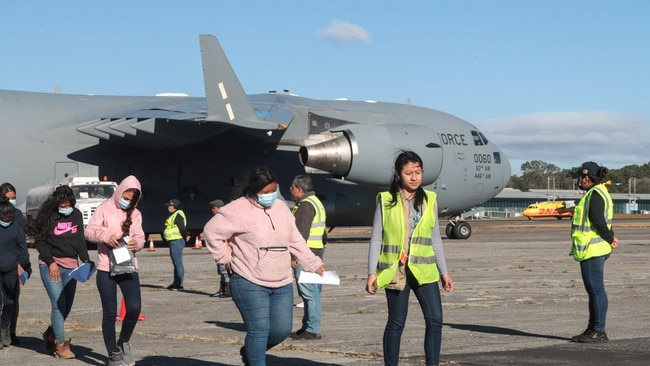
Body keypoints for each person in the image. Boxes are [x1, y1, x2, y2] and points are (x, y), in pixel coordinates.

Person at [203, 166, 325, 366]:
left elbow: (295, 240)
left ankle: (250, 352)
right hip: (249, 279)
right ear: (254, 190)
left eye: (274, 191)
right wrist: (225, 258)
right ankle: (256, 358)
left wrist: (313, 263)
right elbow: (211, 231)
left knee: (281, 330)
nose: (271, 196)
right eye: (266, 192)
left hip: (281, 280)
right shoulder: (237, 209)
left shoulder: (282, 208)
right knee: (259, 330)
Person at [366, 151, 453, 366]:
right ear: (398, 175)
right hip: (396, 270)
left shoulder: (430, 199)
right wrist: (371, 273)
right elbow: (376, 237)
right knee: (396, 323)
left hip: (425, 271)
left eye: (418, 172)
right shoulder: (386, 200)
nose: (414, 177)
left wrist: (444, 271)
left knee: (435, 320)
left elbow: (435, 238)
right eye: (408, 173)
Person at [85, 176, 145, 365]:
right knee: (109, 313)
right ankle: (113, 352)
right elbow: (89, 231)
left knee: (134, 307)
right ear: (119, 192)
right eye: (125, 197)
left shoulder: (136, 214)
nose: (127, 202)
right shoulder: (104, 208)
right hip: (106, 267)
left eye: (131, 199)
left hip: (127, 266)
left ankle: (124, 341)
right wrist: (105, 236)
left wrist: (138, 243)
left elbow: (140, 236)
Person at [27, 185, 92, 359]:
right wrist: (51, 262)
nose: (65, 209)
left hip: (71, 266)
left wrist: (86, 260)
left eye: (67, 205)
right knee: (58, 305)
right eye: (61, 206)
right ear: (56, 204)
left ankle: (50, 335)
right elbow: (40, 242)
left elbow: (79, 240)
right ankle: (61, 346)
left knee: (66, 307)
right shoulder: (48, 215)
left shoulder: (77, 214)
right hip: (51, 265)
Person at [569, 161, 618, 343]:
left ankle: (598, 330)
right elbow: (604, 221)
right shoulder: (599, 193)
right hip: (596, 249)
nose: (578, 180)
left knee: (596, 290)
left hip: (592, 250)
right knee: (594, 290)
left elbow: (597, 221)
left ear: (587, 177)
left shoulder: (594, 195)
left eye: (579, 177)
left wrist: (610, 238)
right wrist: (611, 235)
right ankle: (593, 329)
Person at [288, 175, 327, 340]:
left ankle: (312, 328)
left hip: (307, 254)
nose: (290, 190)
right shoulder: (316, 202)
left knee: (309, 293)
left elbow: (300, 234)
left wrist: (294, 255)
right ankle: (307, 326)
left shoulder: (305, 205)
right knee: (312, 293)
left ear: (299, 189)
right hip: (316, 252)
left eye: (292, 187)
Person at [0, 197, 31, 349]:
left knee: (10, 302)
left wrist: (26, 265)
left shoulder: (16, 226)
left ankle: (4, 328)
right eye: (4, 217)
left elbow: (22, 247)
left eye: (10, 217)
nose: (7, 219)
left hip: (10, 270)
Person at [162, 199, 189, 291]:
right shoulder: (174, 215)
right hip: (174, 241)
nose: (169, 207)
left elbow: (182, 228)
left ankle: (179, 284)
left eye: (170, 206)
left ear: (174, 207)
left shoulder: (178, 215)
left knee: (178, 263)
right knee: (176, 263)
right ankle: (176, 282)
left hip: (177, 241)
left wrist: (185, 237)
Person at [208, 199, 231, 298]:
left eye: (214, 208)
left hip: (224, 248)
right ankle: (222, 289)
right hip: (218, 248)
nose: (212, 210)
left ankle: (229, 290)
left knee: (225, 270)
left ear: (219, 208)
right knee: (221, 270)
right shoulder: (217, 219)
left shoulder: (224, 219)